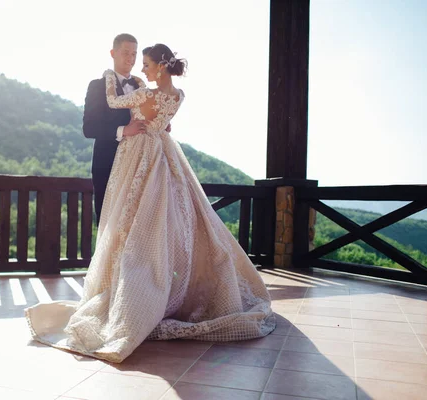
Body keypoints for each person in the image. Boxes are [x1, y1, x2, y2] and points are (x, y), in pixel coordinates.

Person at [25, 43, 276, 363]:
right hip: (165, 154)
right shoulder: (178, 96)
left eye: (145, 63)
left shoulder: (144, 94)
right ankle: (161, 290)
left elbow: (114, 100)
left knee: (135, 224)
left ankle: (136, 298)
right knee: (169, 224)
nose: (141, 69)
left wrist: (109, 77)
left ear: (159, 67)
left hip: (139, 158)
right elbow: (159, 120)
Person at [82, 33, 147, 226]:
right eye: (126, 52)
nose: (131, 58)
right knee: (107, 222)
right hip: (107, 164)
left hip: (138, 164)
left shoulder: (142, 87)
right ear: (113, 53)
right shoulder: (97, 86)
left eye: (134, 54)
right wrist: (123, 130)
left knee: (136, 224)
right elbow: (89, 128)